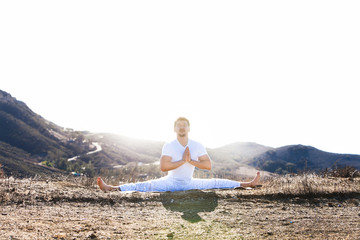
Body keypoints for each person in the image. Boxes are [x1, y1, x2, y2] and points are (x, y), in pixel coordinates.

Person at [97, 117, 260, 192]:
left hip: (189, 182)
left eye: (184, 125)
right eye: (179, 125)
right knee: (145, 185)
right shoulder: (169, 145)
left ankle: (249, 184)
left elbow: (208, 166)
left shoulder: (197, 145)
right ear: (175, 129)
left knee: (216, 182)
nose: (182, 128)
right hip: (171, 182)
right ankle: (111, 188)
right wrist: (183, 161)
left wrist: (192, 161)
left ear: (189, 128)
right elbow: (163, 167)